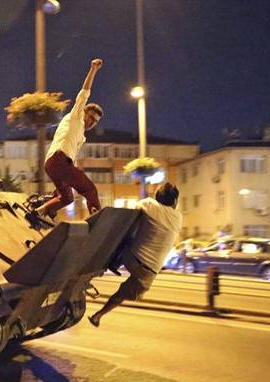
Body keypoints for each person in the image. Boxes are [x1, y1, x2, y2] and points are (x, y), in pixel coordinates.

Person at [88, 183, 183, 327]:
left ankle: (111, 263)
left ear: (157, 196)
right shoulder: (179, 218)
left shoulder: (149, 204)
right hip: (149, 273)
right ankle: (98, 315)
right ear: (175, 201)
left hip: (131, 258)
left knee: (130, 234)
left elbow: (128, 217)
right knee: (121, 294)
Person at [26, 59, 104, 226]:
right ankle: (97, 223)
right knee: (90, 190)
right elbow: (85, 92)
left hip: (53, 165)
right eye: (90, 117)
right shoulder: (76, 117)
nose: (91, 122)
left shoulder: (81, 135)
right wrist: (93, 70)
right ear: (84, 112)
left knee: (67, 197)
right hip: (59, 161)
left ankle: (39, 212)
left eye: (95, 121)